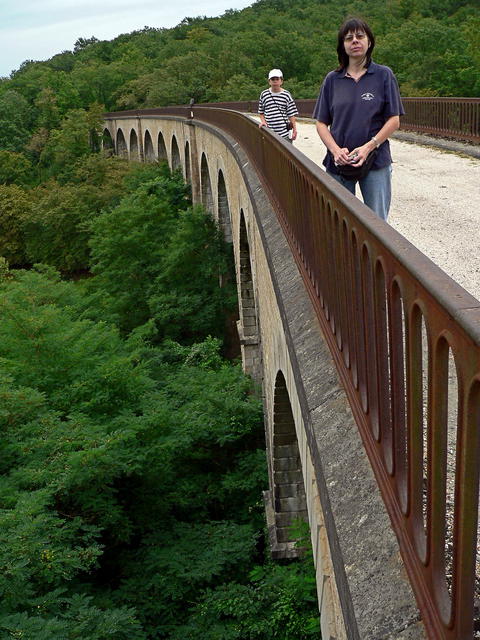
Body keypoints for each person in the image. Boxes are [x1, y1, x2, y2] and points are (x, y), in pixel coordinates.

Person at [313, 17, 405, 221]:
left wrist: (368, 147)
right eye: (349, 38)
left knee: (377, 224)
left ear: (369, 41)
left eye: (360, 36)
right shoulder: (332, 79)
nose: (355, 41)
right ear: (343, 45)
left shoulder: (383, 75)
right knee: (338, 221)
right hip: (339, 162)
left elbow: (394, 120)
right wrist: (335, 151)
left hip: (375, 160)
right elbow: (321, 123)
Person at [258, 69, 298, 143]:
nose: (275, 81)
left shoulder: (286, 95)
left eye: (277, 79)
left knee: (286, 154)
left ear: (281, 81)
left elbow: (291, 114)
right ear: (269, 81)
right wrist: (263, 122)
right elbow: (261, 112)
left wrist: (294, 130)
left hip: (284, 133)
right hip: (269, 133)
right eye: (273, 79)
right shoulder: (264, 94)